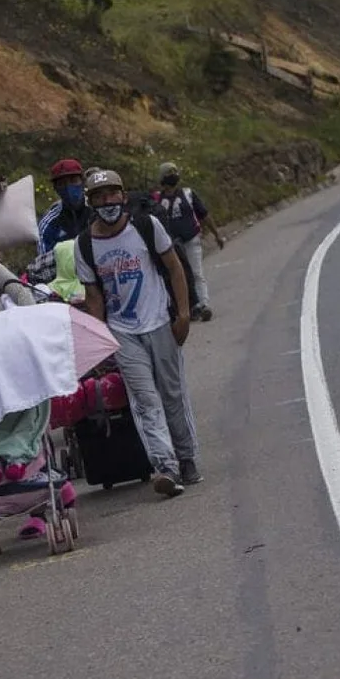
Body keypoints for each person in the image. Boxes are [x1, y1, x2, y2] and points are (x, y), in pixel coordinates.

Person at [72, 168, 202, 496]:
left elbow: (174, 267)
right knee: (144, 400)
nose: (107, 201)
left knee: (172, 394)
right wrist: (100, 341)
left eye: (112, 194)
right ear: (91, 203)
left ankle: (186, 458)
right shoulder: (85, 244)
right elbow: (94, 296)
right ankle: (165, 466)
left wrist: (184, 314)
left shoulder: (146, 226)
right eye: (99, 197)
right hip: (123, 332)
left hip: (159, 321)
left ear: (124, 195)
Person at [153, 162, 223, 323]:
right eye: (169, 173)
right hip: (169, 245)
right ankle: (186, 307)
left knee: (196, 273)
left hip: (191, 239)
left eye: (174, 172)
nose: (173, 175)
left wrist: (216, 234)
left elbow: (204, 214)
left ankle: (203, 304)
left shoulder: (188, 194)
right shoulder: (157, 199)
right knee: (177, 275)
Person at [36, 157, 91, 255]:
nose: (69, 188)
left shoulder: (96, 210)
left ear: (82, 182)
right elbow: (43, 262)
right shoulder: (49, 223)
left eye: (73, 181)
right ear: (55, 188)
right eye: (62, 184)